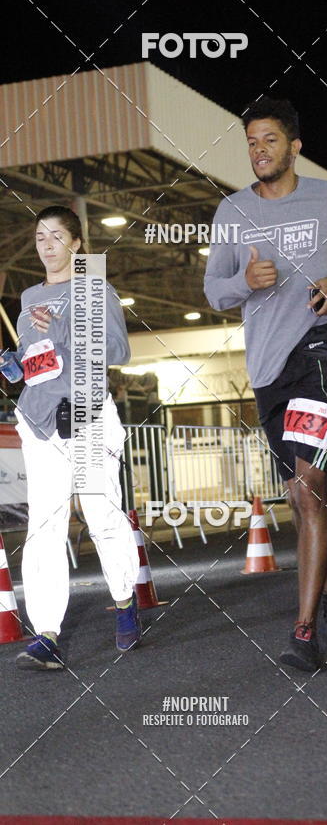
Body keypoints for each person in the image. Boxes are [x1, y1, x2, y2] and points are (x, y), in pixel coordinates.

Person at [204, 98, 327, 671]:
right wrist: (243, 280)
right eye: (251, 142)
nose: (259, 150)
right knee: (297, 495)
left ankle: (305, 630)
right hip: (266, 370)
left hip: (319, 351)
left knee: (310, 487)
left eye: (269, 140)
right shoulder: (231, 211)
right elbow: (213, 293)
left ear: (294, 146)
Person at [0, 206, 141, 669]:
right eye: (40, 235)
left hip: (87, 418)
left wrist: (62, 329)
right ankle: (47, 634)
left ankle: (124, 600)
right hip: (40, 423)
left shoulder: (94, 288)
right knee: (44, 526)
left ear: (77, 245)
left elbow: (118, 350)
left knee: (101, 516)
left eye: (57, 235)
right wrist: (14, 366)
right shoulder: (27, 297)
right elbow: (35, 363)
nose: (47, 244)